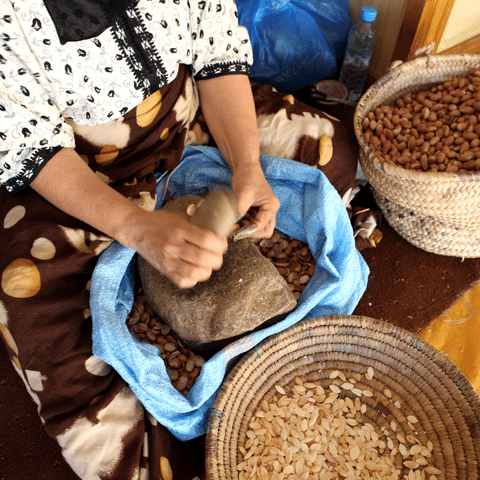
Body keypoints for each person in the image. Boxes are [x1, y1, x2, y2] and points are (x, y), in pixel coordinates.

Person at [0, 0, 360, 478]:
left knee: (335, 150)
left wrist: (246, 164)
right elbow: (32, 145)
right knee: (32, 305)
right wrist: (137, 229)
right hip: (82, 175)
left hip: (188, 125)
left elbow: (215, 53)